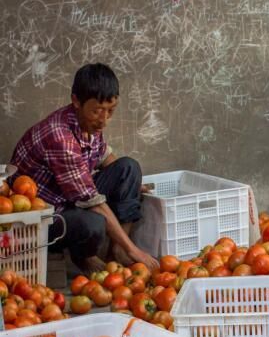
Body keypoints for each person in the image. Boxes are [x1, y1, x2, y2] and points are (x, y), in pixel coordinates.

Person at [9, 63, 159, 274]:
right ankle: (85, 257)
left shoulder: (88, 122)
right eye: (97, 111)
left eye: (110, 111)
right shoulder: (61, 137)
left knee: (129, 168)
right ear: (76, 101)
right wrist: (136, 250)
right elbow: (91, 201)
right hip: (43, 219)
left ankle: (117, 251)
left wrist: (131, 186)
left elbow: (104, 156)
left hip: (71, 197)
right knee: (93, 223)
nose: (104, 120)